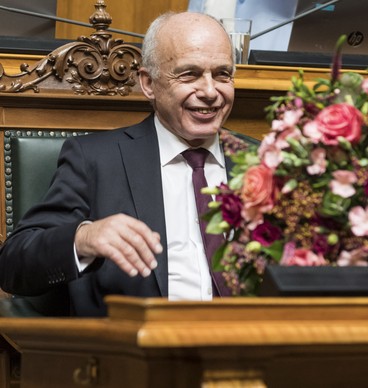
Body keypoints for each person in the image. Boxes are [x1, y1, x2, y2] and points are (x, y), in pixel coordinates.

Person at [0, 12, 256, 317]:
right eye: (189, 75)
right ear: (148, 83)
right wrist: (83, 237)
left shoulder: (266, 162)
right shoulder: (95, 160)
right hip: (137, 355)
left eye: (223, 74)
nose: (211, 91)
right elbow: (13, 264)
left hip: (255, 348)